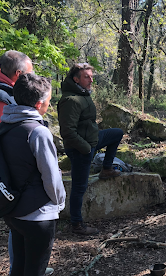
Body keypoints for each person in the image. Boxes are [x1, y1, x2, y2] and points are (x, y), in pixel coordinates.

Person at [0, 73, 68, 276]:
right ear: (40, 103)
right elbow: (51, 177)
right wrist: (59, 203)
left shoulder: (4, 125)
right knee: (34, 275)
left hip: (12, 209)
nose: (49, 105)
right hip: (38, 214)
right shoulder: (37, 131)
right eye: (48, 101)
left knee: (19, 268)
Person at [0, 50, 54, 276]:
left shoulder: (7, 93)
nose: (34, 77)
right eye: (30, 73)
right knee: (19, 227)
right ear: (19, 73)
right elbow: (5, 139)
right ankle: (21, 274)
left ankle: (26, 271)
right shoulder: (0, 98)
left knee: (19, 228)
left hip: (16, 176)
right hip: (11, 178)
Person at [58, 63, 124, 235]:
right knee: (80, 186)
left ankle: (107, 168)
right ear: (76, 79)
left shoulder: (83, 94)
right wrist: (87, 149)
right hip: (81, 149)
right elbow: (67, 132)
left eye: (91, 76)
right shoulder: (70, 100)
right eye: (86, 76)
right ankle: (77, 225)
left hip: (92, 141)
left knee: (116, 133)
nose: (91, 79)